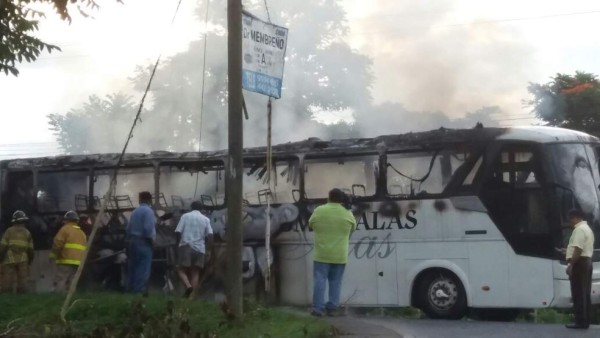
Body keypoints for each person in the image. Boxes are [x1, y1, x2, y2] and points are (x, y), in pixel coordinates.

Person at [308, 188, 356, 317]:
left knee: (320, 281)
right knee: (335, 282)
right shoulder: (348, 213)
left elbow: (310, 226)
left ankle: (318, 309)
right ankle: (333, 308)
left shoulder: (319, 211)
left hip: (321, 254)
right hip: (340, 255)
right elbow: (353, 228)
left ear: (328, 197)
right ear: (341, 199)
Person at [175, 201, 213, 298]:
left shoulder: (185, 216)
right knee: (195, 273)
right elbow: (210, 235)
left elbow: (178, 231)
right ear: (201, 209)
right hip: (200, 248)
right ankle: (191, 298)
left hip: (186, 246)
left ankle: (188, 286)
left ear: (191, 207)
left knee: (180, 270)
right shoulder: (205, 219)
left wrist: (178, 245)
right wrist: (209, 249)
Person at [565, 209, 595, 329]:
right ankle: (586, 320)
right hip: (587, 262)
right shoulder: (587, 229)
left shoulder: (579, 230)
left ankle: (580, 321)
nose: (570, 223)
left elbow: (578, 249)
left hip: (580, 264)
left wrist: (571, 264)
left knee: (578, 292)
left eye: (570, 219)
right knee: (585, 292)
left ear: (575, 218)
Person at [126, 191, 156, 294]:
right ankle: (139, 292)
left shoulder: (135, 212)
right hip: (144, 243)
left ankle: (130, 290)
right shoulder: (149, 211)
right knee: (143, 268)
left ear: (140, 199)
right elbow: (148, 229)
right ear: (150, 200)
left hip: (132, 241)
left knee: (132, 267)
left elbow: (128, 229)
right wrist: (153, 242)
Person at [50, 210, 87, 292]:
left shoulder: (64, 229)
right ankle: (70, 298)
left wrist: (53, 255)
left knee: (61, 278)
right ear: (76, 221)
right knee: (72, 281)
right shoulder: (82, 233)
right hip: (78, 262)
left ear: (66, 220)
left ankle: (58, 298)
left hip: (65, 259)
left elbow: (57, 244)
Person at [0, 211, 34, 293]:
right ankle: (22, 296)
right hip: (23, 258)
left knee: (7, 278)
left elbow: (3, 246)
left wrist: (1, 258)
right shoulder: (27, 232)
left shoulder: (9, 231)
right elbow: (30, 249)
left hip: (9, 258)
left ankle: (6, 295)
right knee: (23, 279)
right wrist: (30, 260)